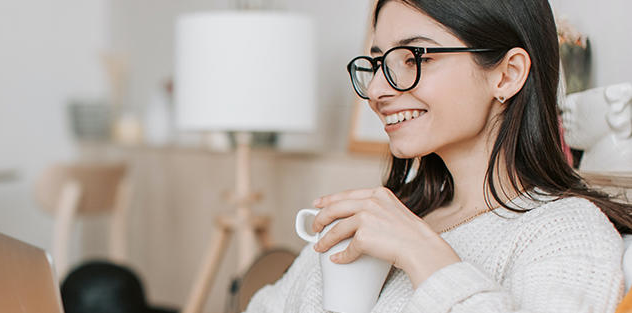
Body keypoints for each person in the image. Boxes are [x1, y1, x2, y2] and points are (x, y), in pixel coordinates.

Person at [245, 0, 632, 312]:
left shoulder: (565, 232)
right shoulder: (391, 215)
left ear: (508, 74)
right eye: (379, 63)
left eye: (414, 58)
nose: (376, 90)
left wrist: (422, 254)